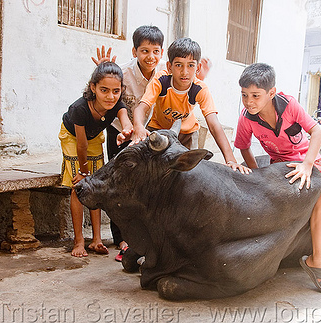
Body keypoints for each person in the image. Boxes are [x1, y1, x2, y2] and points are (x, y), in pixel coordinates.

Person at [92, 26, 212, 260]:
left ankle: (153, 236)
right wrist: (104, 69)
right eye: (144, 50)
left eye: (156, 51)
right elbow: (105, 88)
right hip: (122, 131)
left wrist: (196, 80)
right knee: (121, 181)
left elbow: (182, 88)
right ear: (135, 51)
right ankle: (123, 239)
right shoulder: (123, 73)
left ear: (162, 53)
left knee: (151, 184)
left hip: (151, 135)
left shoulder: (165, 73)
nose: (150, 56)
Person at [234, 63, 321, 294]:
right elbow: (243, 147)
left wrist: (308, 164)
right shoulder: (246, 118)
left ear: (271, 93)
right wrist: (256, 173)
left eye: (255, 96)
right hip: (280, 165)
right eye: (244, 95)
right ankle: (318, 262)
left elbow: (317, 132)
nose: (249, 101)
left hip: (308, 160)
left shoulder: (289, 104)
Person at [129, 37, 250, 174]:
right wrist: (138, 127)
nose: (184, 72)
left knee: (188, 173)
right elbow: (142, 107)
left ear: (198, 68)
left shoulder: (200, 89)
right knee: (149, 170)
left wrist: (231, 160)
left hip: (187, 134)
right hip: (159, 129)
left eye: (190, 65)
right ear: (169, 67)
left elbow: (214, 124)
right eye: (179, 65)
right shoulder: (161, 80)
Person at [59, 62, 133, 257]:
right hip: (73, 138)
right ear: (93, 88)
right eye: (104, 90)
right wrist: (83, 172)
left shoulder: (117, 104)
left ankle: (97, 240)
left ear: (121, 90)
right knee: (79, 186)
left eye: (116, 91)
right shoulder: (79, 109)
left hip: (93, 139)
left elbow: (125, 120)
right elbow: (81, 145)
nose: (110, 96)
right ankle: (79, 241)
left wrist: (126, 131)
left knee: (96, 185)